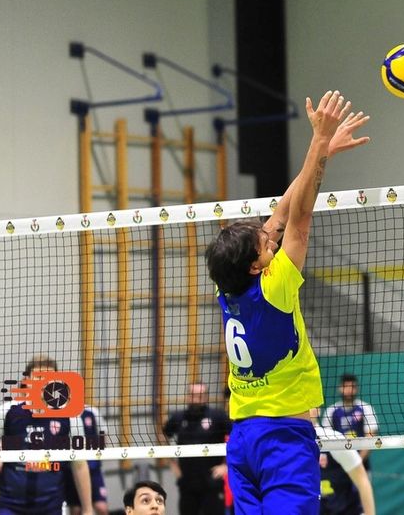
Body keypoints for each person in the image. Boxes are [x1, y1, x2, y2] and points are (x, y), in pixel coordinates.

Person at [205, 90, 369, 514]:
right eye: (265, 245)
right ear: (255, 266)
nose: (271, 240)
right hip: (283, 441)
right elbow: (299, 217)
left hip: (242, 439)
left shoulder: (227, 289)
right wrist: (319, 139)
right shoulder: (274, 286)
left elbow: (281, 213)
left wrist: (323, 152)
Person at [0, 355, 94, 515]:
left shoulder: (69, 417)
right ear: (28, 380)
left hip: (51, 507)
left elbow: (79, 465)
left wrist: (88, 509)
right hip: (10, 506)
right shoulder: (8, 412)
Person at [162, 382, 231, 515]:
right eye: (193, 395)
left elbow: (234, 438)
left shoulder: (217, 416)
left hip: (212, 482)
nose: (196, 399)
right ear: (188, 396)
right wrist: (172, 463)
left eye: (199, 395)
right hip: (187, 483)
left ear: (205, 397)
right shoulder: (179, 417)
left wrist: (226, 465)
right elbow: (163, 434)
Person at [315, 416, 376, 515]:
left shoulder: (333, 439)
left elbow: (362, 480)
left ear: (317, 411)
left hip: (345, 508)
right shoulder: (291, 441)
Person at [321, 374, 379, 466]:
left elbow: (371, 436)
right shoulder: (331, 411)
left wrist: (357, 463)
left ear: (357, 389)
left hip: (361, 462)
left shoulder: (366, 408)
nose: (349, 390)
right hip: (336, 464)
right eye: (345, 386)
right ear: (340, 388)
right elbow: (326, 438)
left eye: (352, 387)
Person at [64, 405, 110, 515]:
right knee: (76, 510)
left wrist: (94, 450)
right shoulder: (63, 412)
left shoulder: (91, 411)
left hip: (93, 468)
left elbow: (103, 436)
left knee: (101, 507)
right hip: (72, 468)